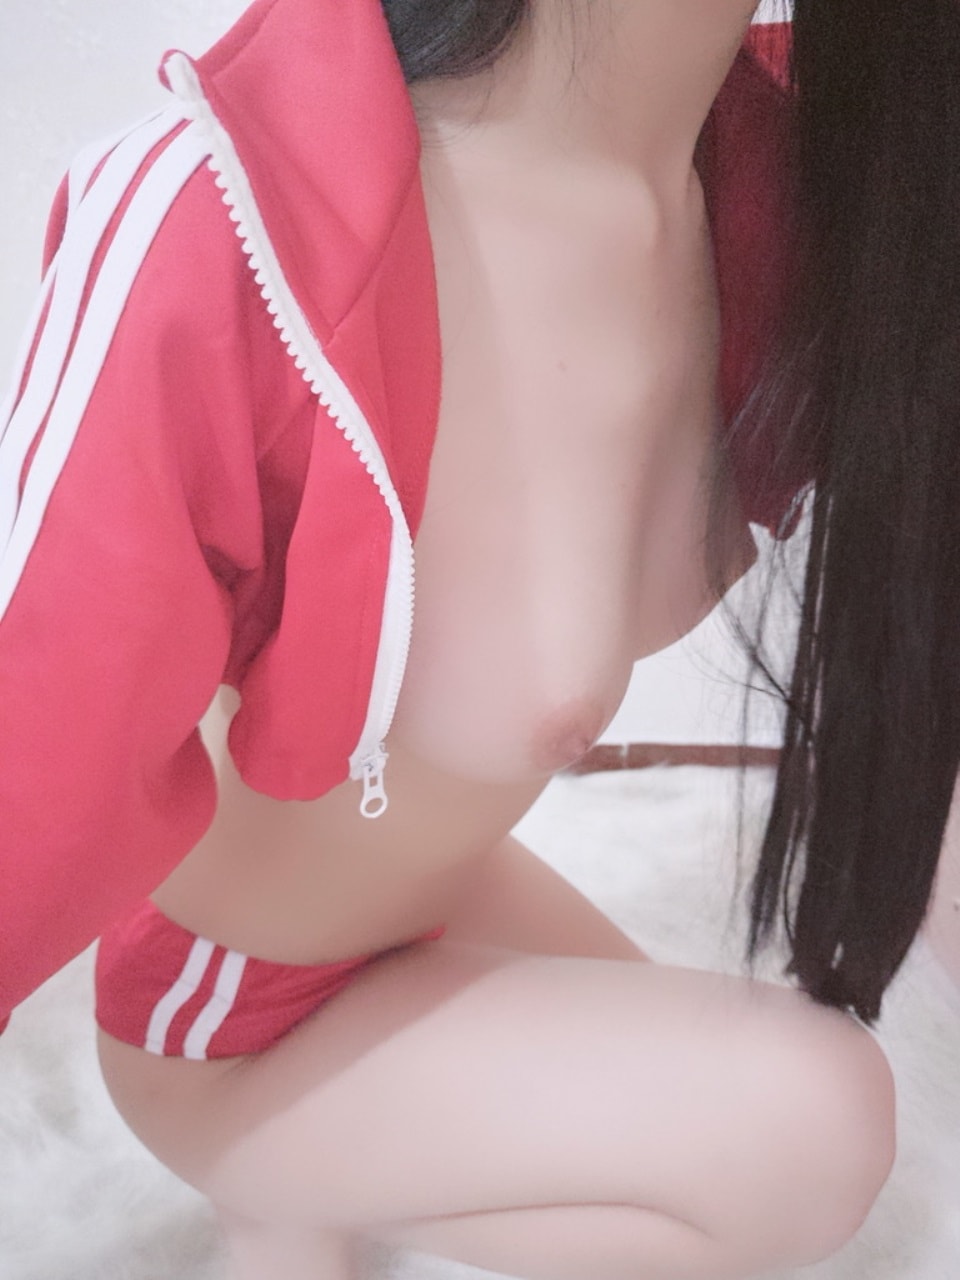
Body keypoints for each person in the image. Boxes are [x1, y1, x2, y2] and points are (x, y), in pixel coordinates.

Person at [6, 0, 960, 1275]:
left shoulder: (787, 199)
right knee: (816, 1124)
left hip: (432, 899)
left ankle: (311, 1181)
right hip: (217, 995)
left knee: (759, 1114)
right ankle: (276, 1164)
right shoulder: (234, 213)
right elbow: (38, 727)